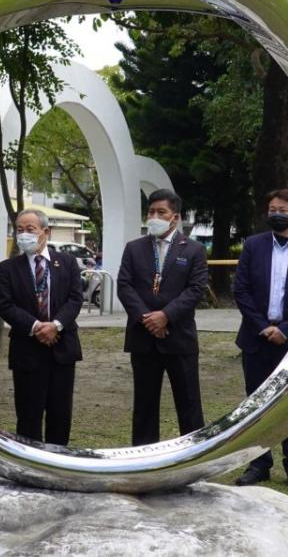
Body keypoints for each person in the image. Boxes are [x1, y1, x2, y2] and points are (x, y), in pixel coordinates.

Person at [233, 189, 288, 488]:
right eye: (271, 209)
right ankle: (259, 463)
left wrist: (286, 328)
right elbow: (241, 290)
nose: (276, 214)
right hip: (257, 337)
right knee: (256, 402)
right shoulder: (253, 246)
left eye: (282, 209)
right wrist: (262, 326)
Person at [117, 188, 208, 446]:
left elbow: (196, 289)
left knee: (189, 404)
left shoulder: (193, 250)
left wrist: (166, 316)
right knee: (144, 406)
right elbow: (124, 286)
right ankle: (143, 463)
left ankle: (193, 458)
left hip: (179, 339)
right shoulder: (134, 248)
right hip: (143, 339)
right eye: (151, 211)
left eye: (161, 212)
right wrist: (148, 318)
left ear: (175, 217)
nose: (154, 216)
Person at [0, 209, 84, 445]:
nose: (24, 234)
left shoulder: (66, 262)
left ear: (45, 232)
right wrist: (36, 327)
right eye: (19, 229)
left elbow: (75, 299)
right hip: (27, 350)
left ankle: (59, 466)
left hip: (62, 349)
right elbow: (6, 306)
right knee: (28, 415)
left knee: (60, 413)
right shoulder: (8, 268)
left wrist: (56, 325)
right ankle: (30, 467)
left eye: (30, 229)